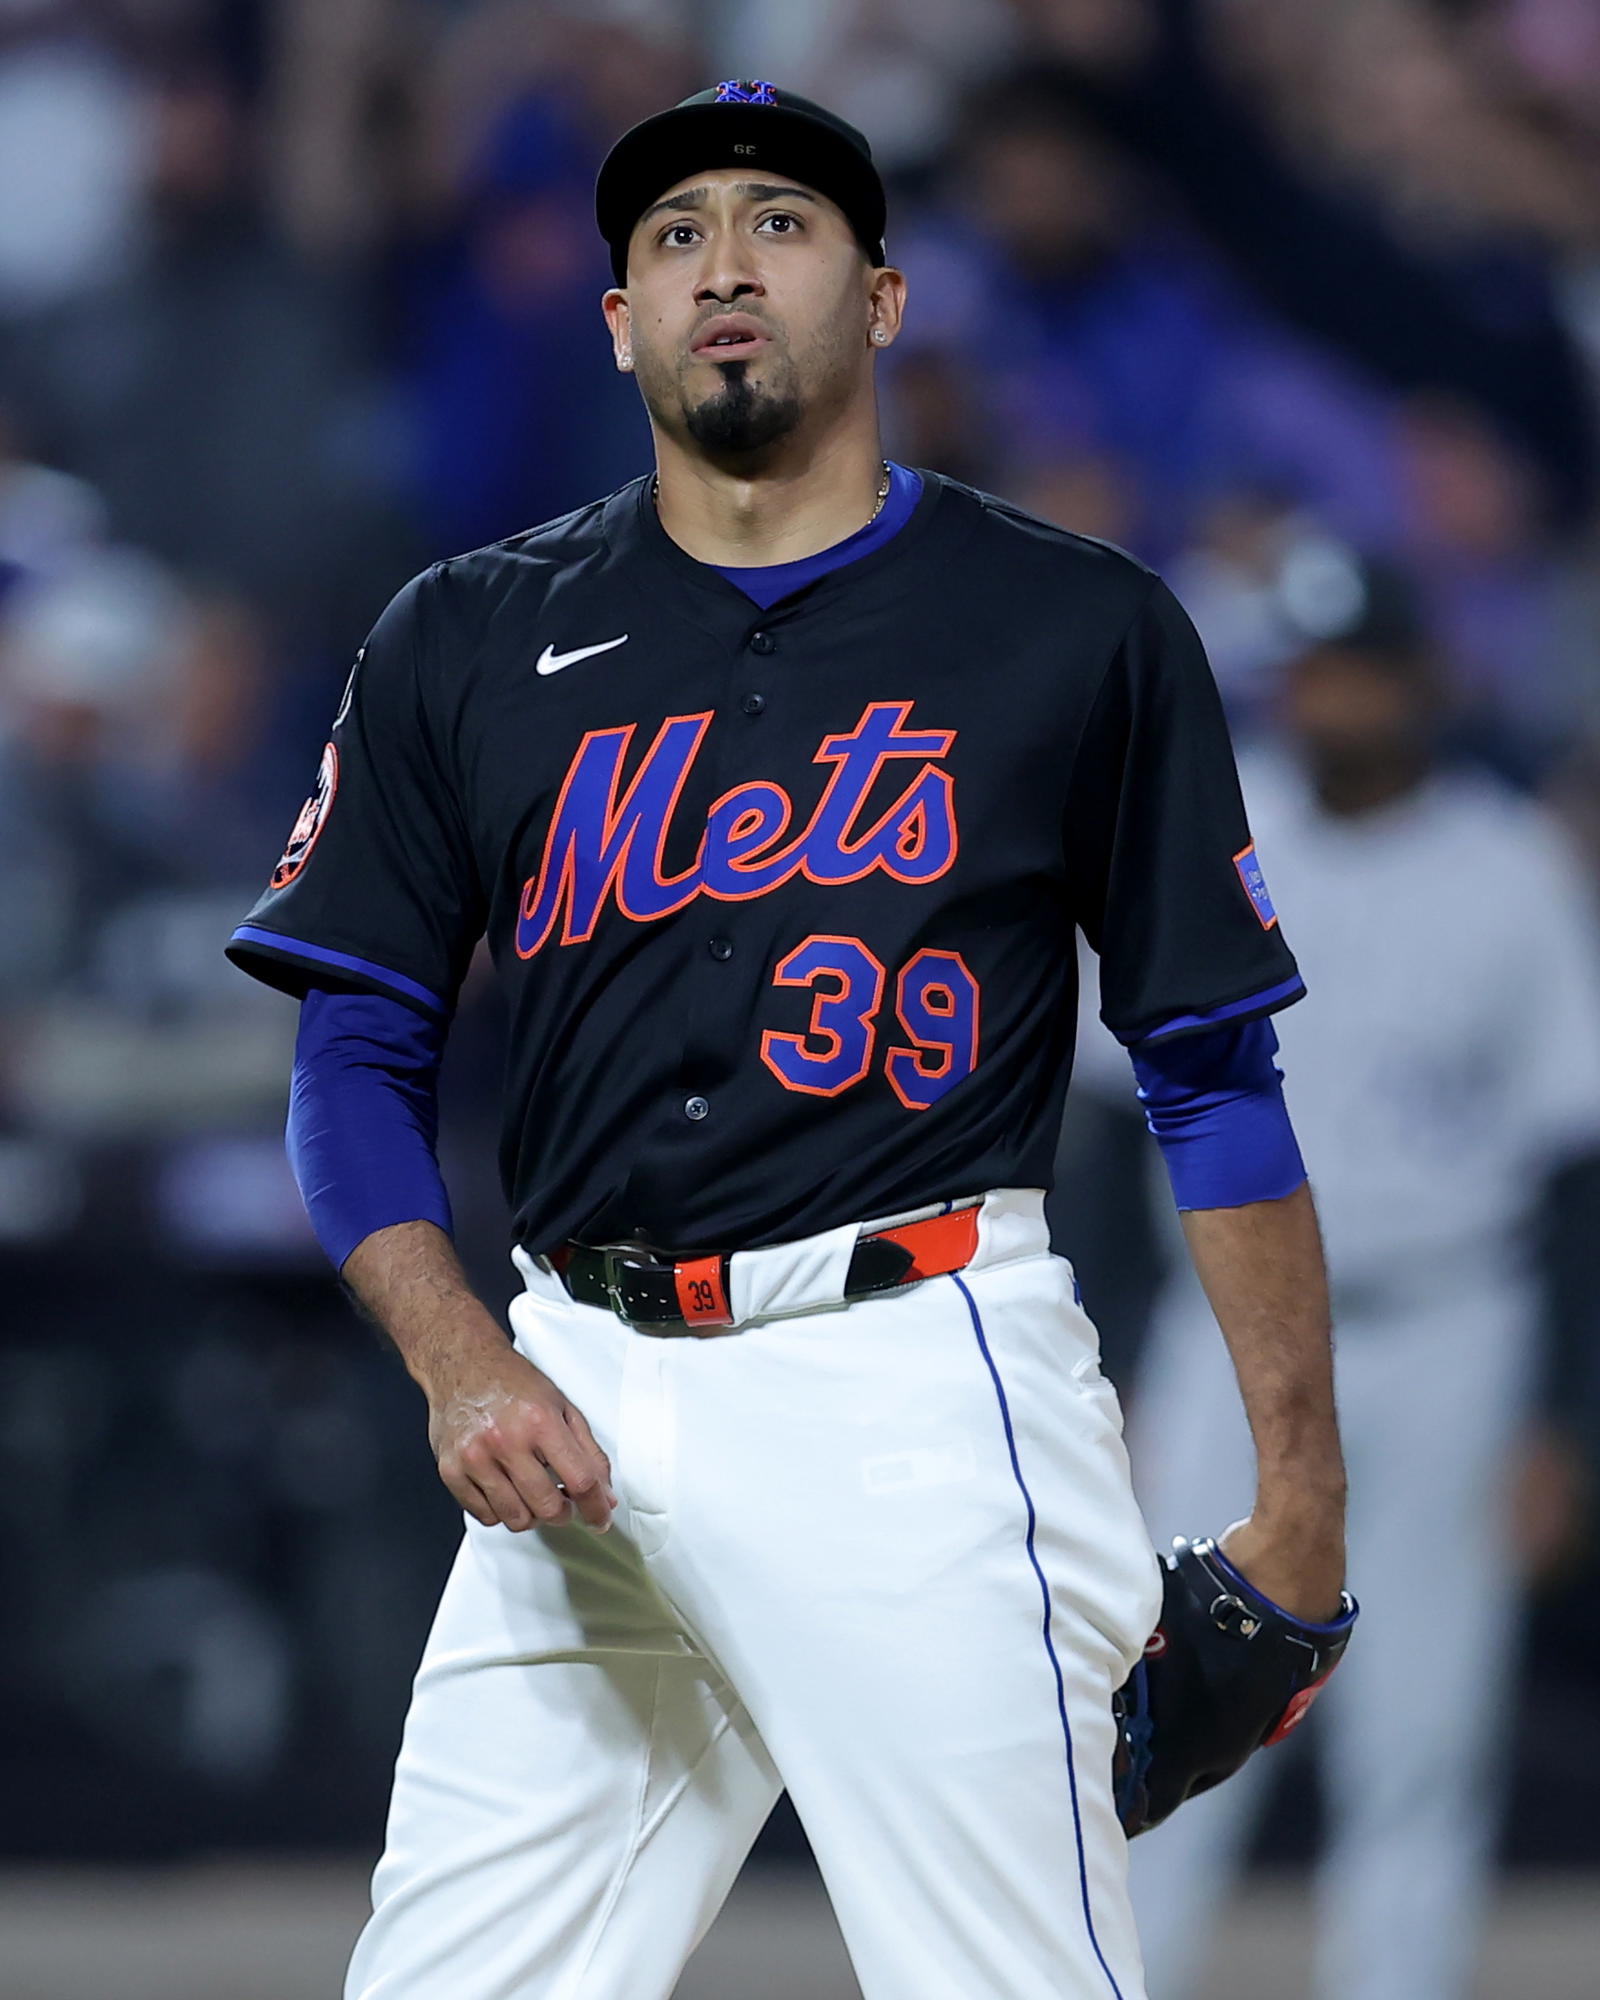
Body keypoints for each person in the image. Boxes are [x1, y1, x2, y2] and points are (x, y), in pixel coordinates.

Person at [226, 80, 1347, 2000]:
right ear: (619, 323)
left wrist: (1302, 1497)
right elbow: (352, 1059)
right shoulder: (467, 635)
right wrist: (458, 1359)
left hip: (912, 1381)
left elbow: (1214, 1079)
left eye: (779, 222)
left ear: (883, 299)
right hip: (576, 1388)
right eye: (674, 236)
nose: (723, 264)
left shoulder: (1075, 625)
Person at [1125, 560, 1600, 2000]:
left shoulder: (1510, 866)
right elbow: (1091, 1118)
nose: (1332, 699)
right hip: (1217, 1333)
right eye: (1313, 671)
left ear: (1422, 682)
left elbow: (1573, 1168)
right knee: (1162, 1692)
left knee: (1425, 1721)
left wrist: (1560, 1418)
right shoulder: (1216, 833)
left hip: (1446, 1324)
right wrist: (1097, 1356)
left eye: (1360, 671)